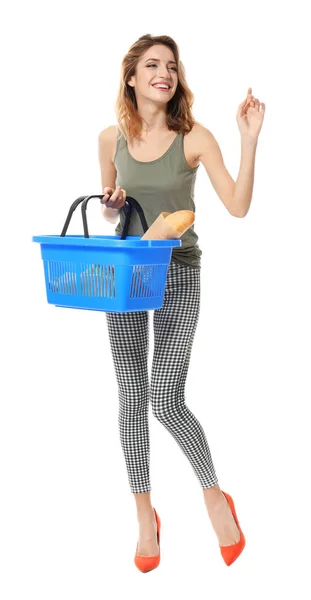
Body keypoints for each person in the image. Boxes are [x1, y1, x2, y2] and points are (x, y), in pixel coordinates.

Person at [97, 33, 265, 572]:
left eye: (170, 65)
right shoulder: (109, 139)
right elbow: (107, 212)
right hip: (126, 274)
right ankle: (145, 516)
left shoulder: (195, 138)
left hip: (177, 274)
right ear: (131, 78)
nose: (163, 73)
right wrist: (113, 204)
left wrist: (249, 139)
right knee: (130, 396)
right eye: (151, 65)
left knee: (165, 397)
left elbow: (237, 207)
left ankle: (214, 498)